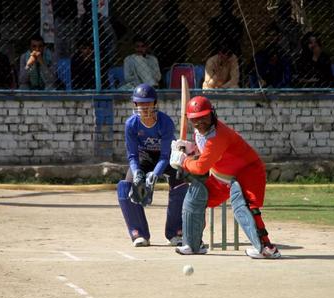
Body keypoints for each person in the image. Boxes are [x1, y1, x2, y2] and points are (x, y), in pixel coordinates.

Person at [169, 96, 281, 259]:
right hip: (220, 176)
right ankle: (193, 244)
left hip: (247, 172)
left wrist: (183, 160)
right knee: (195, 197)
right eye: (195, 120)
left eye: (204, 118)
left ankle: (267, 248)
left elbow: (200, 168)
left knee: (247, 207)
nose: (200, 123)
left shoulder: (218, 136)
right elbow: (205, 156)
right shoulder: (199, 133)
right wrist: (190, 151)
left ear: (212, 115)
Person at [117, 83, 188, 247]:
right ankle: (139, 234)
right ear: (135, 104)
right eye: (140, 103)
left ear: (155, 103)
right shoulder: (131, 124)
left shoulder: (165, 122)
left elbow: (164, 155)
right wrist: (137, 173)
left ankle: (175, 232)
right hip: (144, 157)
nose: (144, 107)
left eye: (148, 103)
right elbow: (132, 155)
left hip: (166, 157)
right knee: (126, 187)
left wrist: (154, 175)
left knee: (180, 182)